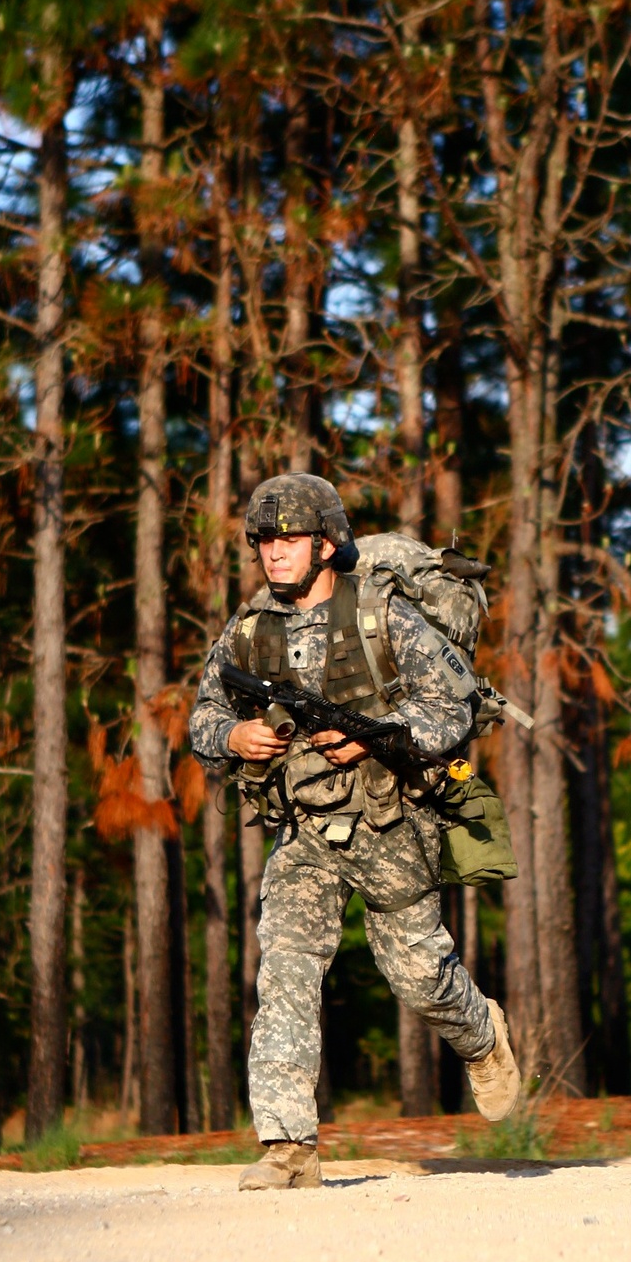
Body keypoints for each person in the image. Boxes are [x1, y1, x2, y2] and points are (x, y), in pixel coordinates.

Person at [189, 472, 520, 1191]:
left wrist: (376, 739)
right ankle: (288, 1146)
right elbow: (201, 717)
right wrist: (235, 734)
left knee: (419, 976)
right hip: (305, 833)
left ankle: (483, 1034)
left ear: (326, 542)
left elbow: (453, 709)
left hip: (388, 821)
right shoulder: (248, 629)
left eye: (287, 537)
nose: (272, 551)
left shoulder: (380, 615)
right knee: (284, 969)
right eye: (263, 539)